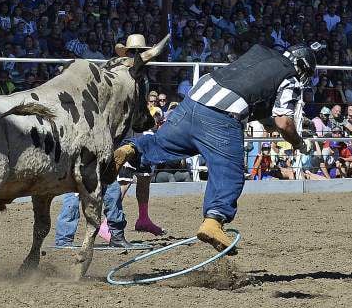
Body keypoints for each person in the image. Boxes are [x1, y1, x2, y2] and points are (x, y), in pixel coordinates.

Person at [113, 42, 318, 252]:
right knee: (229, 171)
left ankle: (131, 149)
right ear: (301, 65)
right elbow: (283, 121)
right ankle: (214, 221)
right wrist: (298, 142)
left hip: (197, 96)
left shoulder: (261, 54)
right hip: (222, 113)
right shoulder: (289, 77)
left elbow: (256, 96)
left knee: (163, 142)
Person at [55, 34, 167, 248]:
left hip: (95, 133)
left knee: (96, 186)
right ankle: (98, 235)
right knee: (93, 185)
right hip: (97, 134)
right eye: (136, 52)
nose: (138, 56)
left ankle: (70, 238)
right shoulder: (127, 77)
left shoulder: (113, 71)